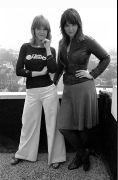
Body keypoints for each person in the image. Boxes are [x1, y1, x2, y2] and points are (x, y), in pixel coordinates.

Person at [53, 8, 110, 171]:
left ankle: (79, 157)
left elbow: (106, 58)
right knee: (63, 126)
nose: (70, 28)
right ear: (62, 27)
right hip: (68, 89)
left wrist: (92, 74)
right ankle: (84, 154)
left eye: (73, 24)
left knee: (83, 126)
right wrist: (54, 82)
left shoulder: (87, 41)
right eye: (66, 25)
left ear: (79, 25)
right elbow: (59, 66)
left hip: (84, 87)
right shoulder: (61, 43)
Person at [11, 15, 66, 169]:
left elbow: (54, 69)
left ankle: (57, 157)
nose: (42, 31)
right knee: (28, 123)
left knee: (53, 124)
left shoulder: (51, 49)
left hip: (49, 91)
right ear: (33, 30)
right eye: (38, 28)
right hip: (32, 92)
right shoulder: (25, 47)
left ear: (48, 31)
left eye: (45, 28)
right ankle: (23, 154)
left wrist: (47, 48)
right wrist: (39, 73)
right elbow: (18, 70)